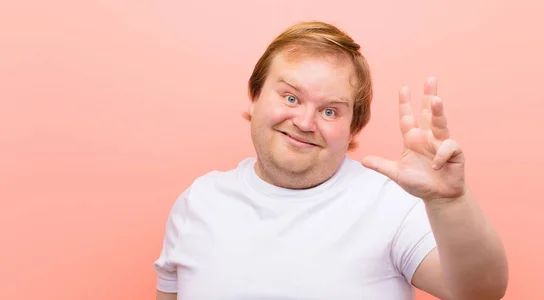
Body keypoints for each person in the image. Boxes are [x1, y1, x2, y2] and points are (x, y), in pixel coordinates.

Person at [154, 21, 508, 300]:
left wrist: (451, 202)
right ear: (255, 95)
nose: (306, 123)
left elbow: (480, 293)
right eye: (291, 98)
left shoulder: (391, 203)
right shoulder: (198, 202)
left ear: (353, 127)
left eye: (329, 110)